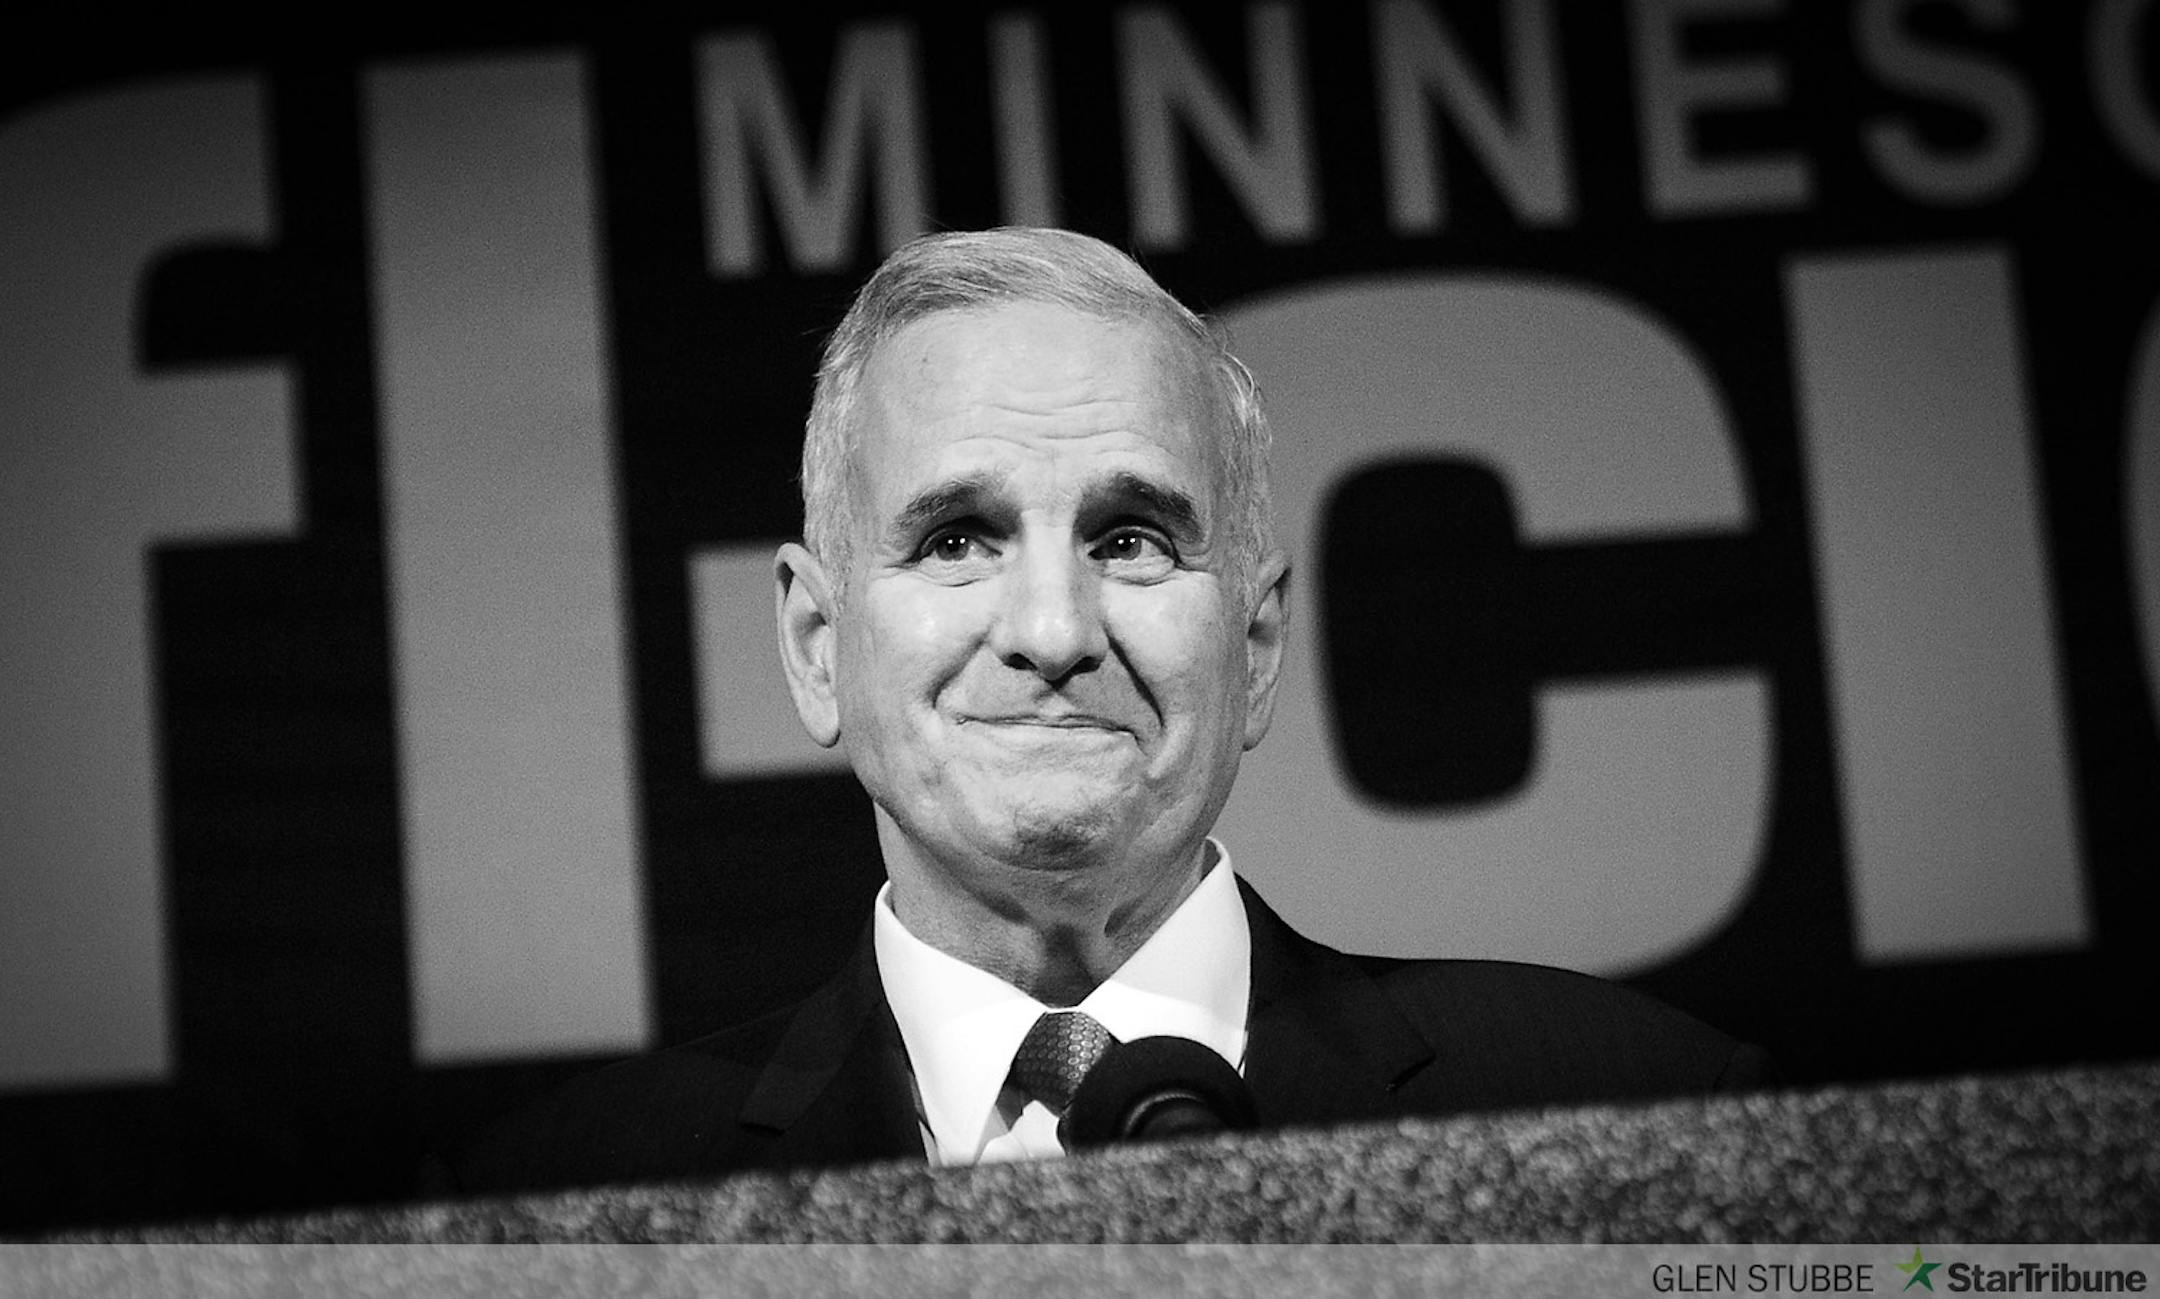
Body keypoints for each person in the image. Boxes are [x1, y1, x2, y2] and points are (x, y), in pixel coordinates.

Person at [442, 226, 1765, 1192]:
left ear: (1254, 644)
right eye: (957, 539)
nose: (1055, 633)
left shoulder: (1631, 1115)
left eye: (1131, 540)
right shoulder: (581, 1210)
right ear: (814, 644)